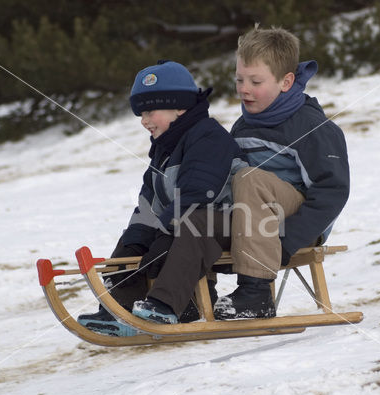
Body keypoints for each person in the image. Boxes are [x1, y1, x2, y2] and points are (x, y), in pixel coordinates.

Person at [77, 60, 246, 336]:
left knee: (192, 223)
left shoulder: (208, 137)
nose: (143, 121)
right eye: (140, 113)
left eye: (149, 111)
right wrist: (136, 240)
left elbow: (198, 194)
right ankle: (117, 308)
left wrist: (163, 233)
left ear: (179, 106)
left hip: (231, 221)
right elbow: (148, 205)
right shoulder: (163, 150)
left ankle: (165, 305)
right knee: (135, 237)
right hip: (187, 224)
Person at [213, 27, 350, 320]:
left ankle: (256, 294)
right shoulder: (242, 127)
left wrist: (289, 239)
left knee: (249, 179)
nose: (244, 88)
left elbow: (332, 191)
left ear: (286, 81)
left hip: (299, 225)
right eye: (239, 79)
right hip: (254, 219)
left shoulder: (311, 128)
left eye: (255, 81)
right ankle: (183, 294)